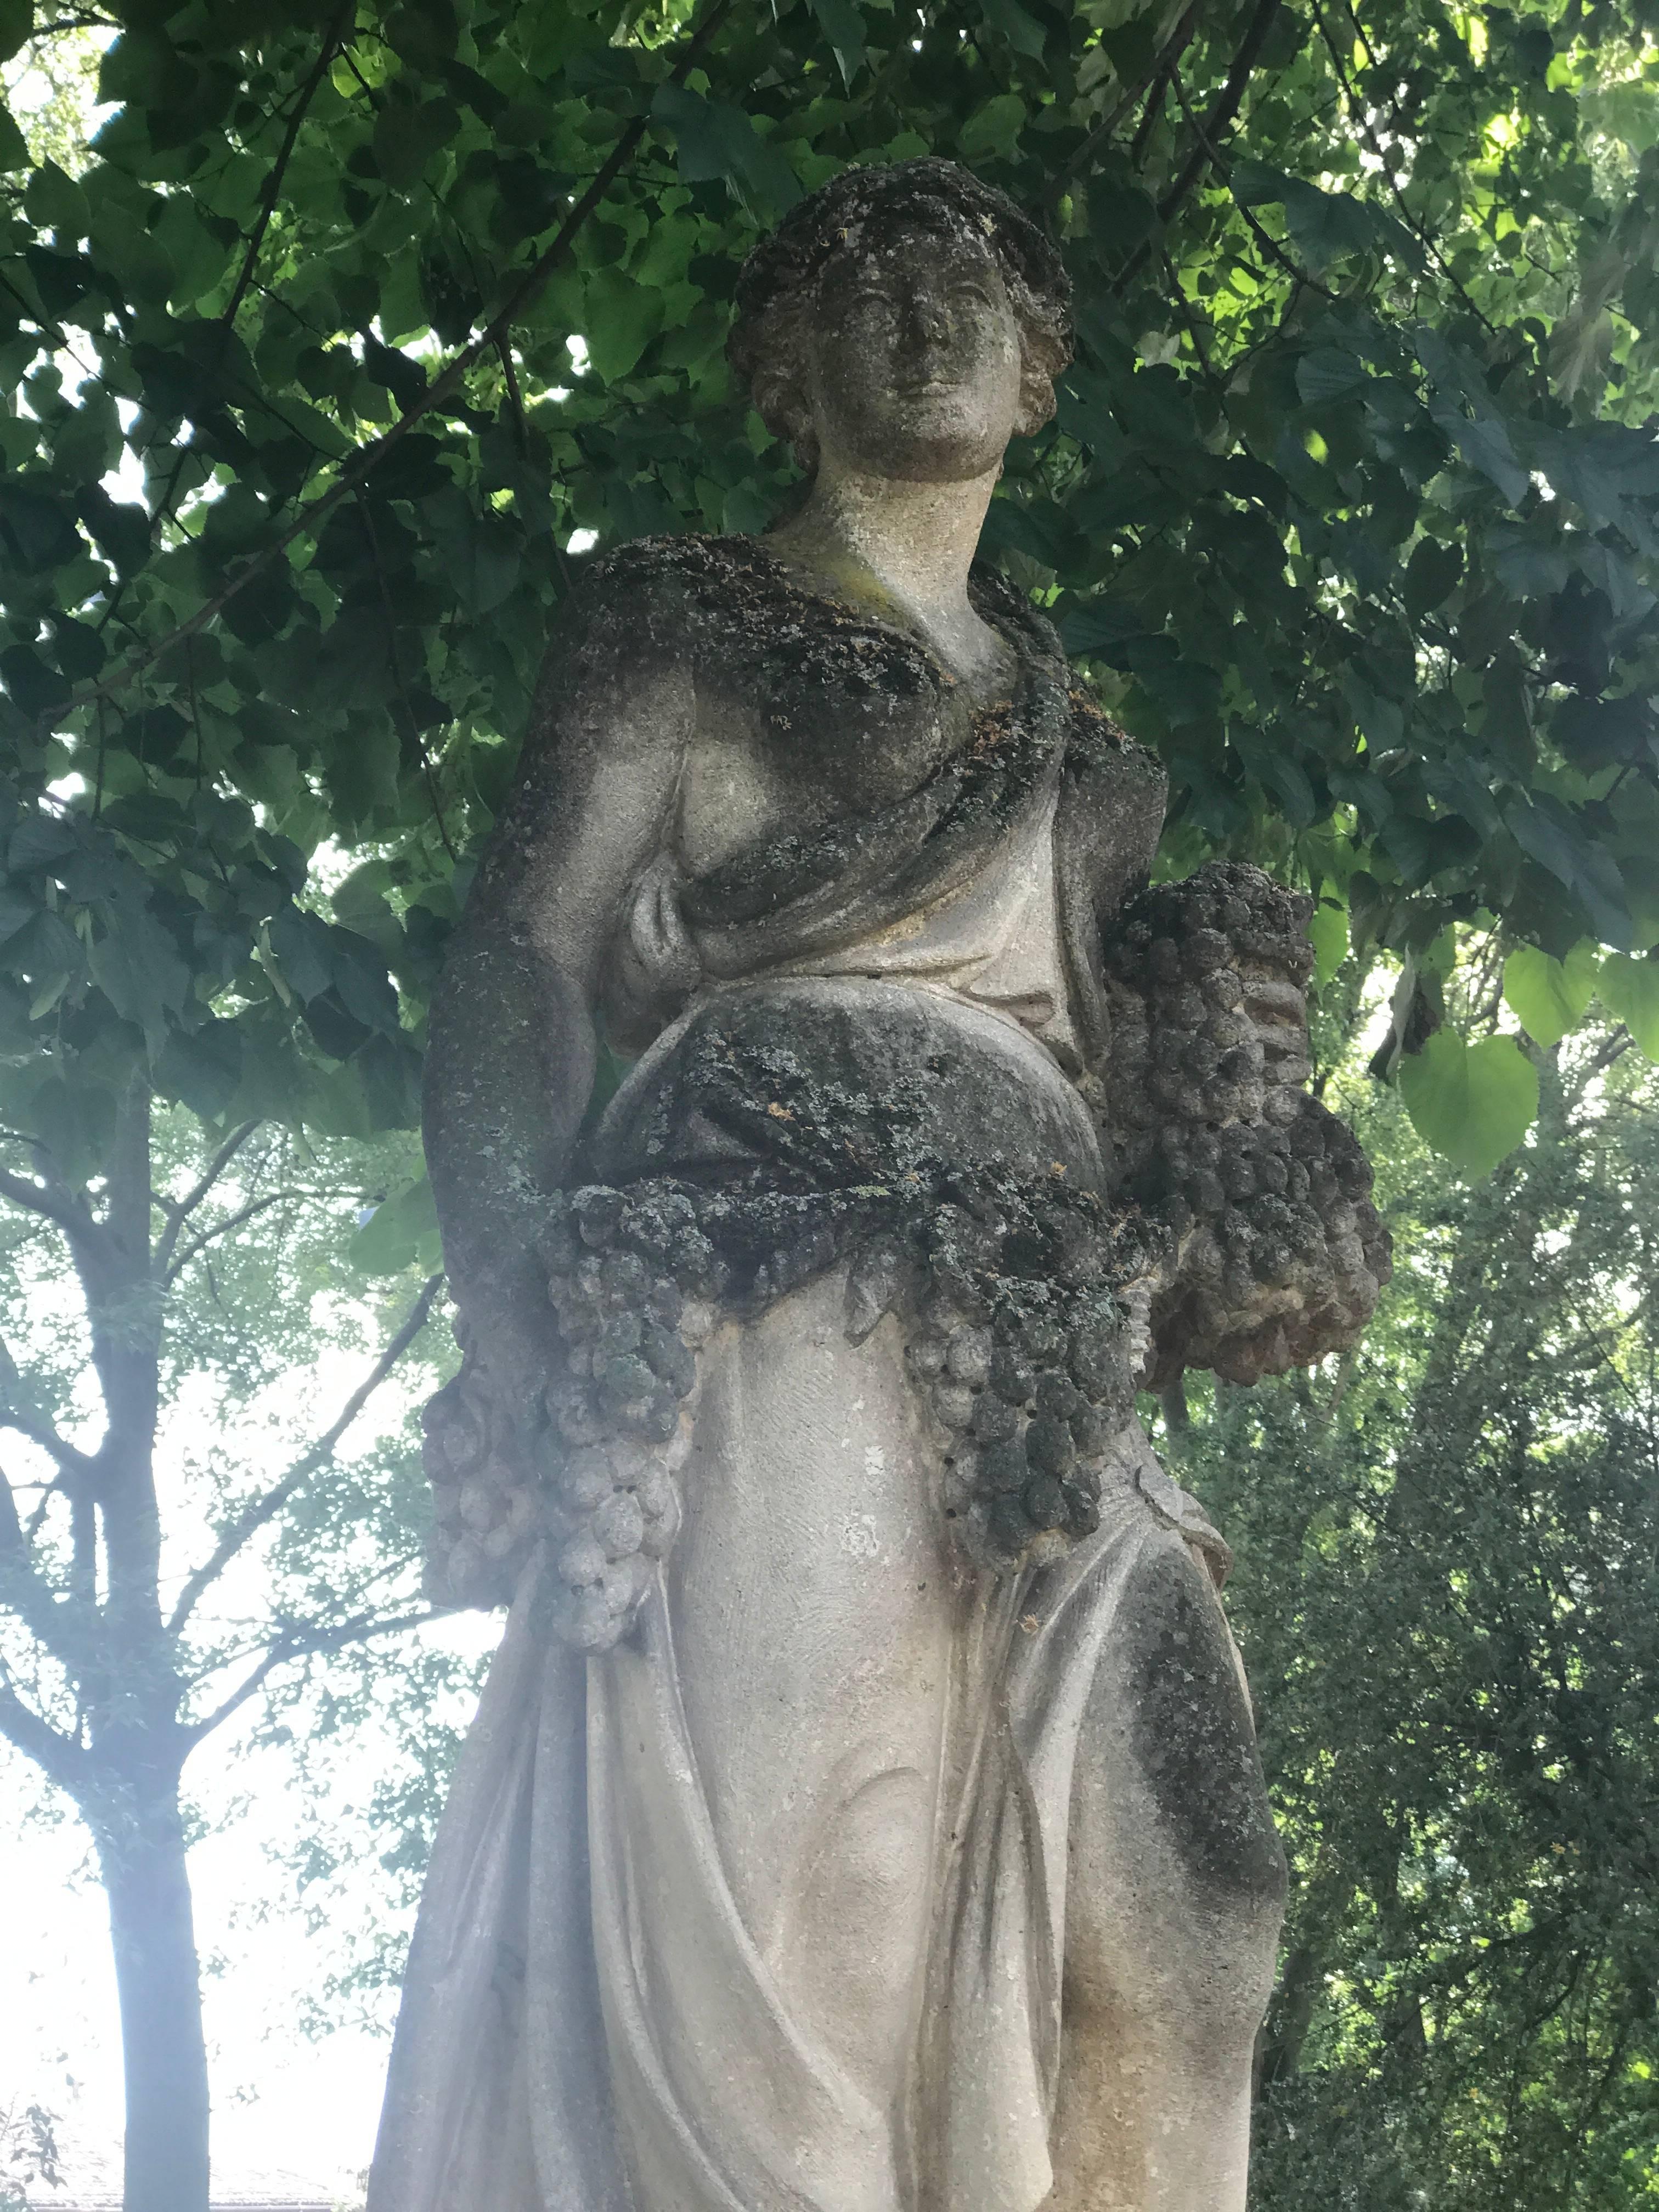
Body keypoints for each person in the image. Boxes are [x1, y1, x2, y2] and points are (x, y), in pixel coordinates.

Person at [368, 158, 1388, 2212]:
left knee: (1200, 1917)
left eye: (975, 292)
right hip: (773, 1289)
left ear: (1037, 378)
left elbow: (1133, 1103)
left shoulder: (1095, 774)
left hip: (1052, 1347)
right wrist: (528, 1317)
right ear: (785, 366)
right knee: (819, 1949)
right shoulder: (680, 624)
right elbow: (513, 967)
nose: (927, 321)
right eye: (866, 286)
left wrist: (1259, 1199)